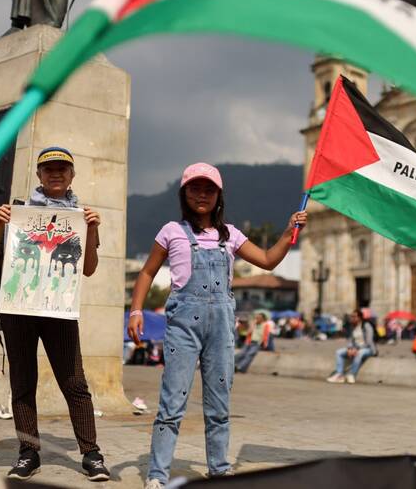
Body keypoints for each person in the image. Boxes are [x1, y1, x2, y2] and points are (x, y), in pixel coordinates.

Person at [127, 162, 306, 489]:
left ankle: (220, 470)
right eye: (195, 189)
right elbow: (147, 272)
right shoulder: (171, 231)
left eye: (209, 189)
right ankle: (157, 474)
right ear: (184, 194)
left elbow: (267, 260)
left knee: (219, 405)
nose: (202, 195)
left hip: (221, 329)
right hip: (183, 329)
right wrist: (136, 310)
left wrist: (287, 232)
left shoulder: (231, 235)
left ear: (218, 196)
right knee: (172, 403)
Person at [0, 146, 109, 481]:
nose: (55, 174)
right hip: (18, 309)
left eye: (62, 169)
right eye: (48, 169)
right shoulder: (18, 212)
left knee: (75, 382)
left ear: (72, 175)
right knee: (23, 383)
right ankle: (28, 452)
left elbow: (89, 269)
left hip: (59, 310)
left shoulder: (81, 217)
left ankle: (91, 453)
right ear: (38, 175)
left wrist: (93, 230)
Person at [326, 309, 377, 384]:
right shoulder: (352, 327)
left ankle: (351, 374)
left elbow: (369, 342)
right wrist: (350, 348)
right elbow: (350, 340)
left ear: (359, 318)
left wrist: (356, 349)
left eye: (354, 316)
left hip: (368, 349)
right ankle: (339, 374)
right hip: (355, 348)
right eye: (351, 316)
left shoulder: (366, 325)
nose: (352, 318)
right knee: (339, 352)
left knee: (359, 353)